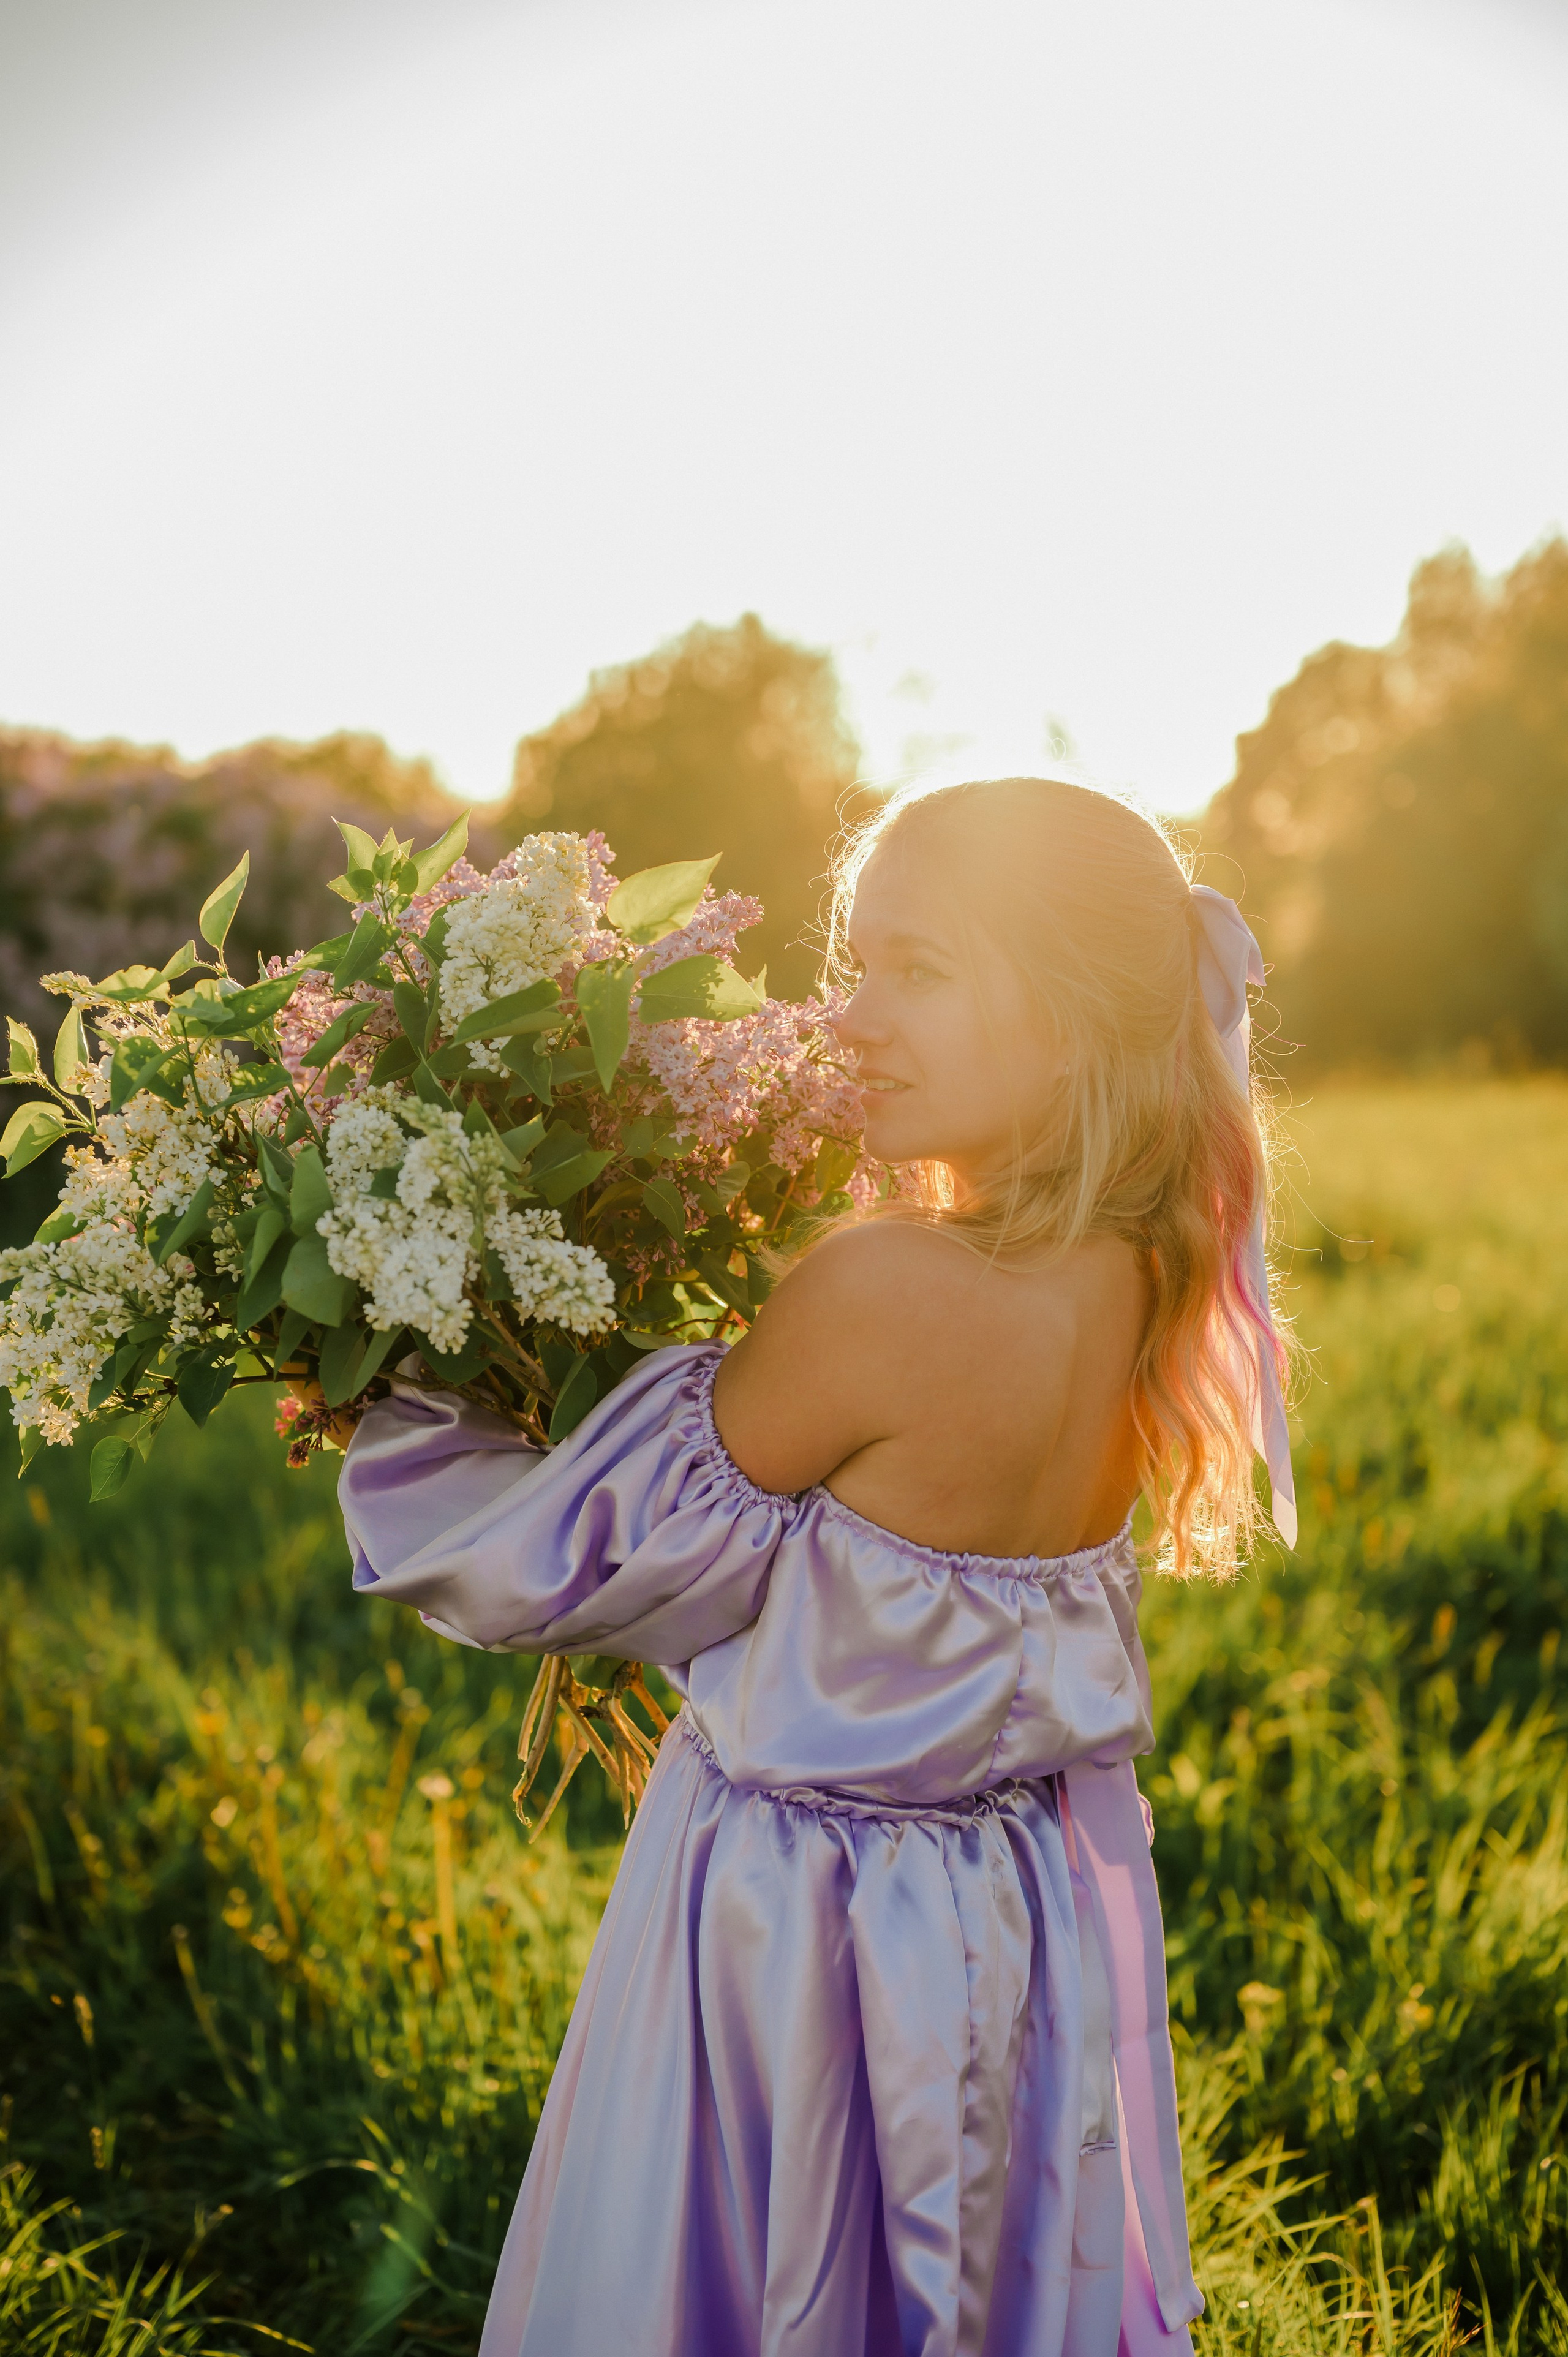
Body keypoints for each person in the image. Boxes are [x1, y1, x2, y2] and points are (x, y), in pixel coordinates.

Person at [339, 775, 1296, 2357]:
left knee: (753, 2272)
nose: (851, 1018)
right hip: (1006, 1918)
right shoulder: (1139, 1275)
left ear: (1075, 1021)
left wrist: (395, 1376)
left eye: (920, 969)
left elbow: (574, 1558)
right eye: (858, 965)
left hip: (797, 1933)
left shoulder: (885, 1293)